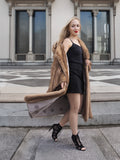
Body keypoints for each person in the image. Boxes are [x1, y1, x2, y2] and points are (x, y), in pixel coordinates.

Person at [49, 17, 91, 151]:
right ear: (68, 28)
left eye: (78, 25)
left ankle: (58, 127)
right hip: (72, 77)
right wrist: (62, 79)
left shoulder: (79, 42)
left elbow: (81, 57)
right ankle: (75, 137)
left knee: (76, 108)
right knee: (74, 108)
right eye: (73, 26)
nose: (76, 28)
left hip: (80, 77)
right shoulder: (67, 41)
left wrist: (86, 61)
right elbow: (59, 59)